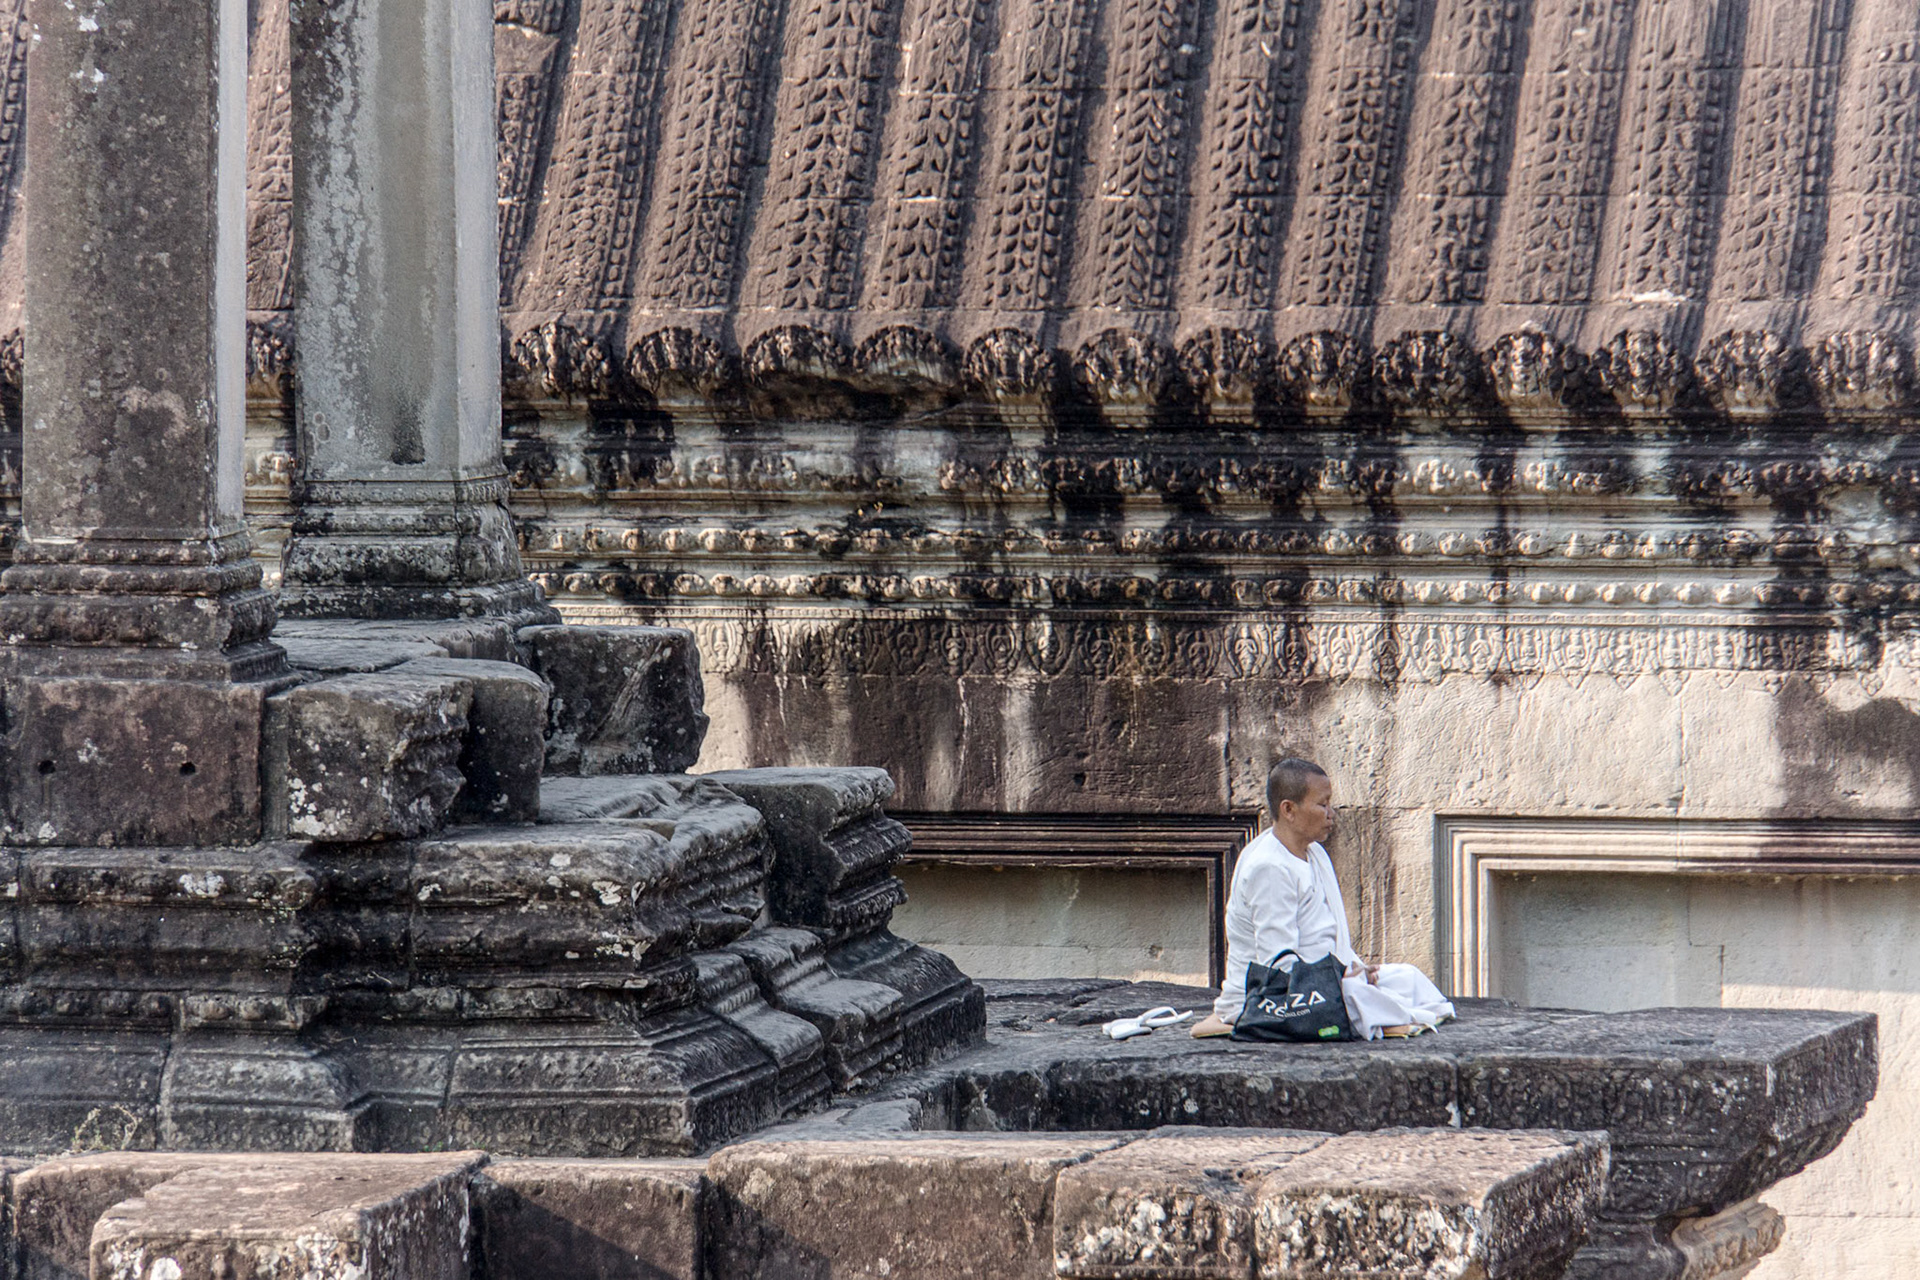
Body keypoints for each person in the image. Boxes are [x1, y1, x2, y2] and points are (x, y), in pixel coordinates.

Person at [1189, 757, 1454, 1039]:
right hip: (1278, 996)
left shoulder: (1314, 852)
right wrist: (1340, 981)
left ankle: (1368, 1004)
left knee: (1407, 978)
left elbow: (1329, 934)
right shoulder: (1268, 867)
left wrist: (1355, 969)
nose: (1331, 814)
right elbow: (1277, 964)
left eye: (1330, 804)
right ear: (1289, 809)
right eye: (1322, 804)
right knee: (1366, 999)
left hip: (1327, 979)